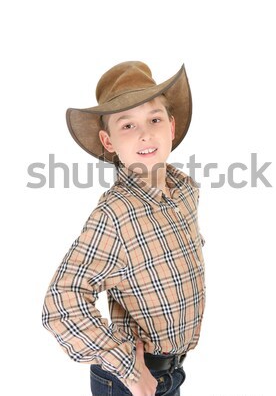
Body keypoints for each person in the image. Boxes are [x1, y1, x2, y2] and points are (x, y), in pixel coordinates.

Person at [42, 61, 206, 396]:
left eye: (154, 119)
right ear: (109, 141)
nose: (145, 133)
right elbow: (62, 301)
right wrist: (129, 369)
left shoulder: (183, 193)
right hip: (131, 380)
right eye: (127, 125)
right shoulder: (116, 214)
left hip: (171, 372)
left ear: (171, 127)